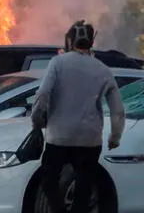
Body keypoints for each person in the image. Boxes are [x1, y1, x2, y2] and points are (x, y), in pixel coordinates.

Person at [31, 20, 125, 213]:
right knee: (84, 186)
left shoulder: (57, 63)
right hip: (89, 140)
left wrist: (37, 121)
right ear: (91, 41)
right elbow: (118, 110)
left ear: (70, 40)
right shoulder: (103, 70)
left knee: (49, 180)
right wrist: (115, 137)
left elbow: (42, 95)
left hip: (59, 137)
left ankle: (59, 210)